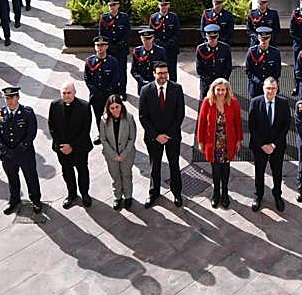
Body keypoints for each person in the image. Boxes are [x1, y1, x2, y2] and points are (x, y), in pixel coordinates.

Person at [140, 62, 185, 207]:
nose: (163, 76)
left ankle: (177, 193)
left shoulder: (177, 89)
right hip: (153, 138)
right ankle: (154, 193)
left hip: (172, 136)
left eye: (165, 73)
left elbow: (180, 114)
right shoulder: (146, 90)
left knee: (174, 165)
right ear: (154, 74)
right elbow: (143, 117)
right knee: (155, 166)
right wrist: (156, 136)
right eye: (159, 73)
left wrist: (168, 134)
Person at [0, 86, 42, 215]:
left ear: (17, 98)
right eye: (6, 98)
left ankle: (36, 200)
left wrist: (20, 149)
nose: (8, 101)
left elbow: (31, 133)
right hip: (8, 155)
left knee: (31, 178)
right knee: (12, 178)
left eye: (11, 98)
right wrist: (4, 149)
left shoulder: (27, 113)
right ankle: (14, 200)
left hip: (25, 154)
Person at [196, 78, 243, 209]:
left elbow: (238, 122)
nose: (221, 92)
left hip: (228, 142)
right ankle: (216, 192)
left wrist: (239, 139)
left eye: (223, 89)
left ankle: (225, 192)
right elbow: (201, 123)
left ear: (227, 90)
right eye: (218, 89)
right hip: (213, 142)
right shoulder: (207, 102)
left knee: (226, 168)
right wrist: (200, 141)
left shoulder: (233, 102)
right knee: (215, 169)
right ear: (213, 90)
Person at [247, 76, 290, 211]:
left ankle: (277, 195)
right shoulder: (255, 102)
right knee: (259, 172)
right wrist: (262, 145)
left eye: (273, 88)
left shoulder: (283, 103)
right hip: (259, 146)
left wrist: (273, 145)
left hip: (277, 147)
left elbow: (286, 126)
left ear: (277, 89)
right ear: (263, 89)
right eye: (268, 88)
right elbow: (252, 127)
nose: (270, 91)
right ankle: (258, 195)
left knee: (277, 172)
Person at [48, 82, 92, 208]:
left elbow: (85, 130)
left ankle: (85, 194)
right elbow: (52, 127)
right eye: (64, 93)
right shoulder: (55, 105)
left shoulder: (84, 106)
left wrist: (71, 146)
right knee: (67, 172)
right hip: (62, 148)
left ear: (74, 92)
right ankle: (71, 194)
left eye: (69, 93)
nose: (66, 95)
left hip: (79, 148)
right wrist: (62, 145)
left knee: (82, 171)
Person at [99, 93, 137, 210]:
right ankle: (118, 197)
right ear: (108, 108)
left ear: (121, 106)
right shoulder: (104, 120)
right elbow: (103, 139)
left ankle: (128, 196)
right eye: (112, 108)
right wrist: (113, 154)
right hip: (111, 156)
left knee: (126, 175)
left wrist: (124, 154)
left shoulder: (129, 118)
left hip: (127, 154)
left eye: (117, 107)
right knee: (115, 176)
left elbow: (132, 137)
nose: (115, 110)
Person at [84, 36, 119, 140]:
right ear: (95, 47)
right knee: (98, 116)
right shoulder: (90, 62)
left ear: (107, 46)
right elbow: (87, 78)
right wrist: (94, 91)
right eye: (98, 45)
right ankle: (102, 134)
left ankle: (114, 135)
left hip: (109, 95)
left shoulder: (113, 61)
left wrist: (108, 91)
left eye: (103, 45)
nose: (100, 47)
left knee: (112, 116)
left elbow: (116, 78)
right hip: (96, 96)